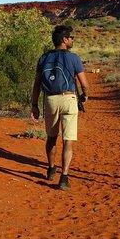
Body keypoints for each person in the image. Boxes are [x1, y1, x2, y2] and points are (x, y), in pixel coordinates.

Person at [31, 25, 89, 190]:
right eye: (71, 37)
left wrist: (34, 105)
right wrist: (84, 97)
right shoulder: (74, 58)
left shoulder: (43, 58)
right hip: (69, 99)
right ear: (64, 39)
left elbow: (36, 85)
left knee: (51, 137)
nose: (72, 40)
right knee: (67, 141)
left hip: (50, 100)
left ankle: (51, 169)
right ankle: (64, 177)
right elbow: (84, 84)